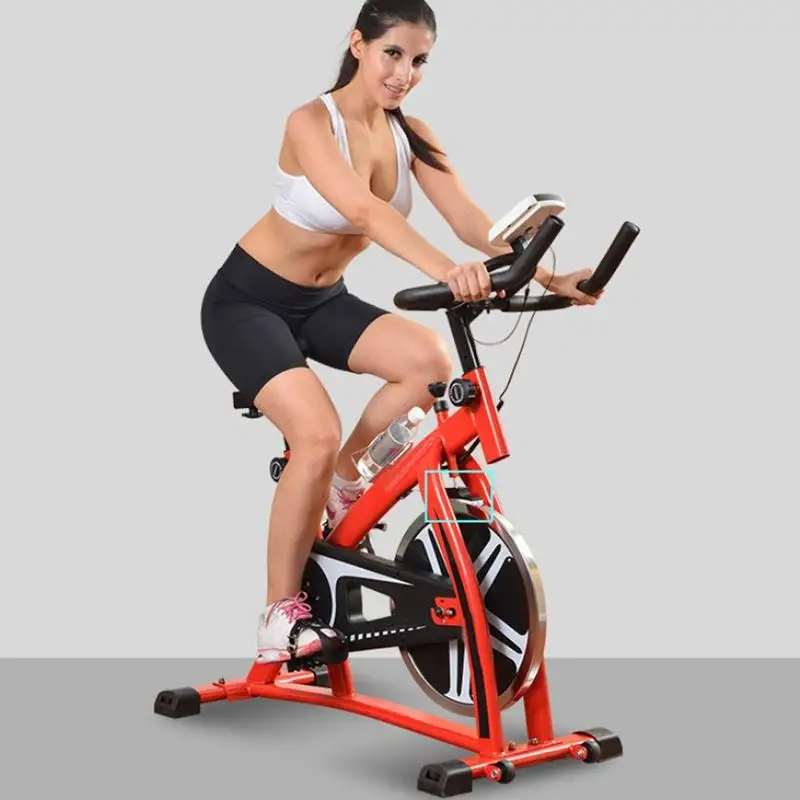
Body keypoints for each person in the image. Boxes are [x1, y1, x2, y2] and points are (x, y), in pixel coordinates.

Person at [200, 0, 599, 664]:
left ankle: (342, 482)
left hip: (322, 301)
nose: (404, 73)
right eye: (392, 54)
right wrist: (447, 271)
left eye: (419, 61)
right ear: (358, 44)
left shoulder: (411, 135)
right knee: (315, 433)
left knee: (428, 361)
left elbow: (474, 225)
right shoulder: (310, 122)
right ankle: (277, 615)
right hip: (248, 303)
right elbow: (361, 210)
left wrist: (554, 277)